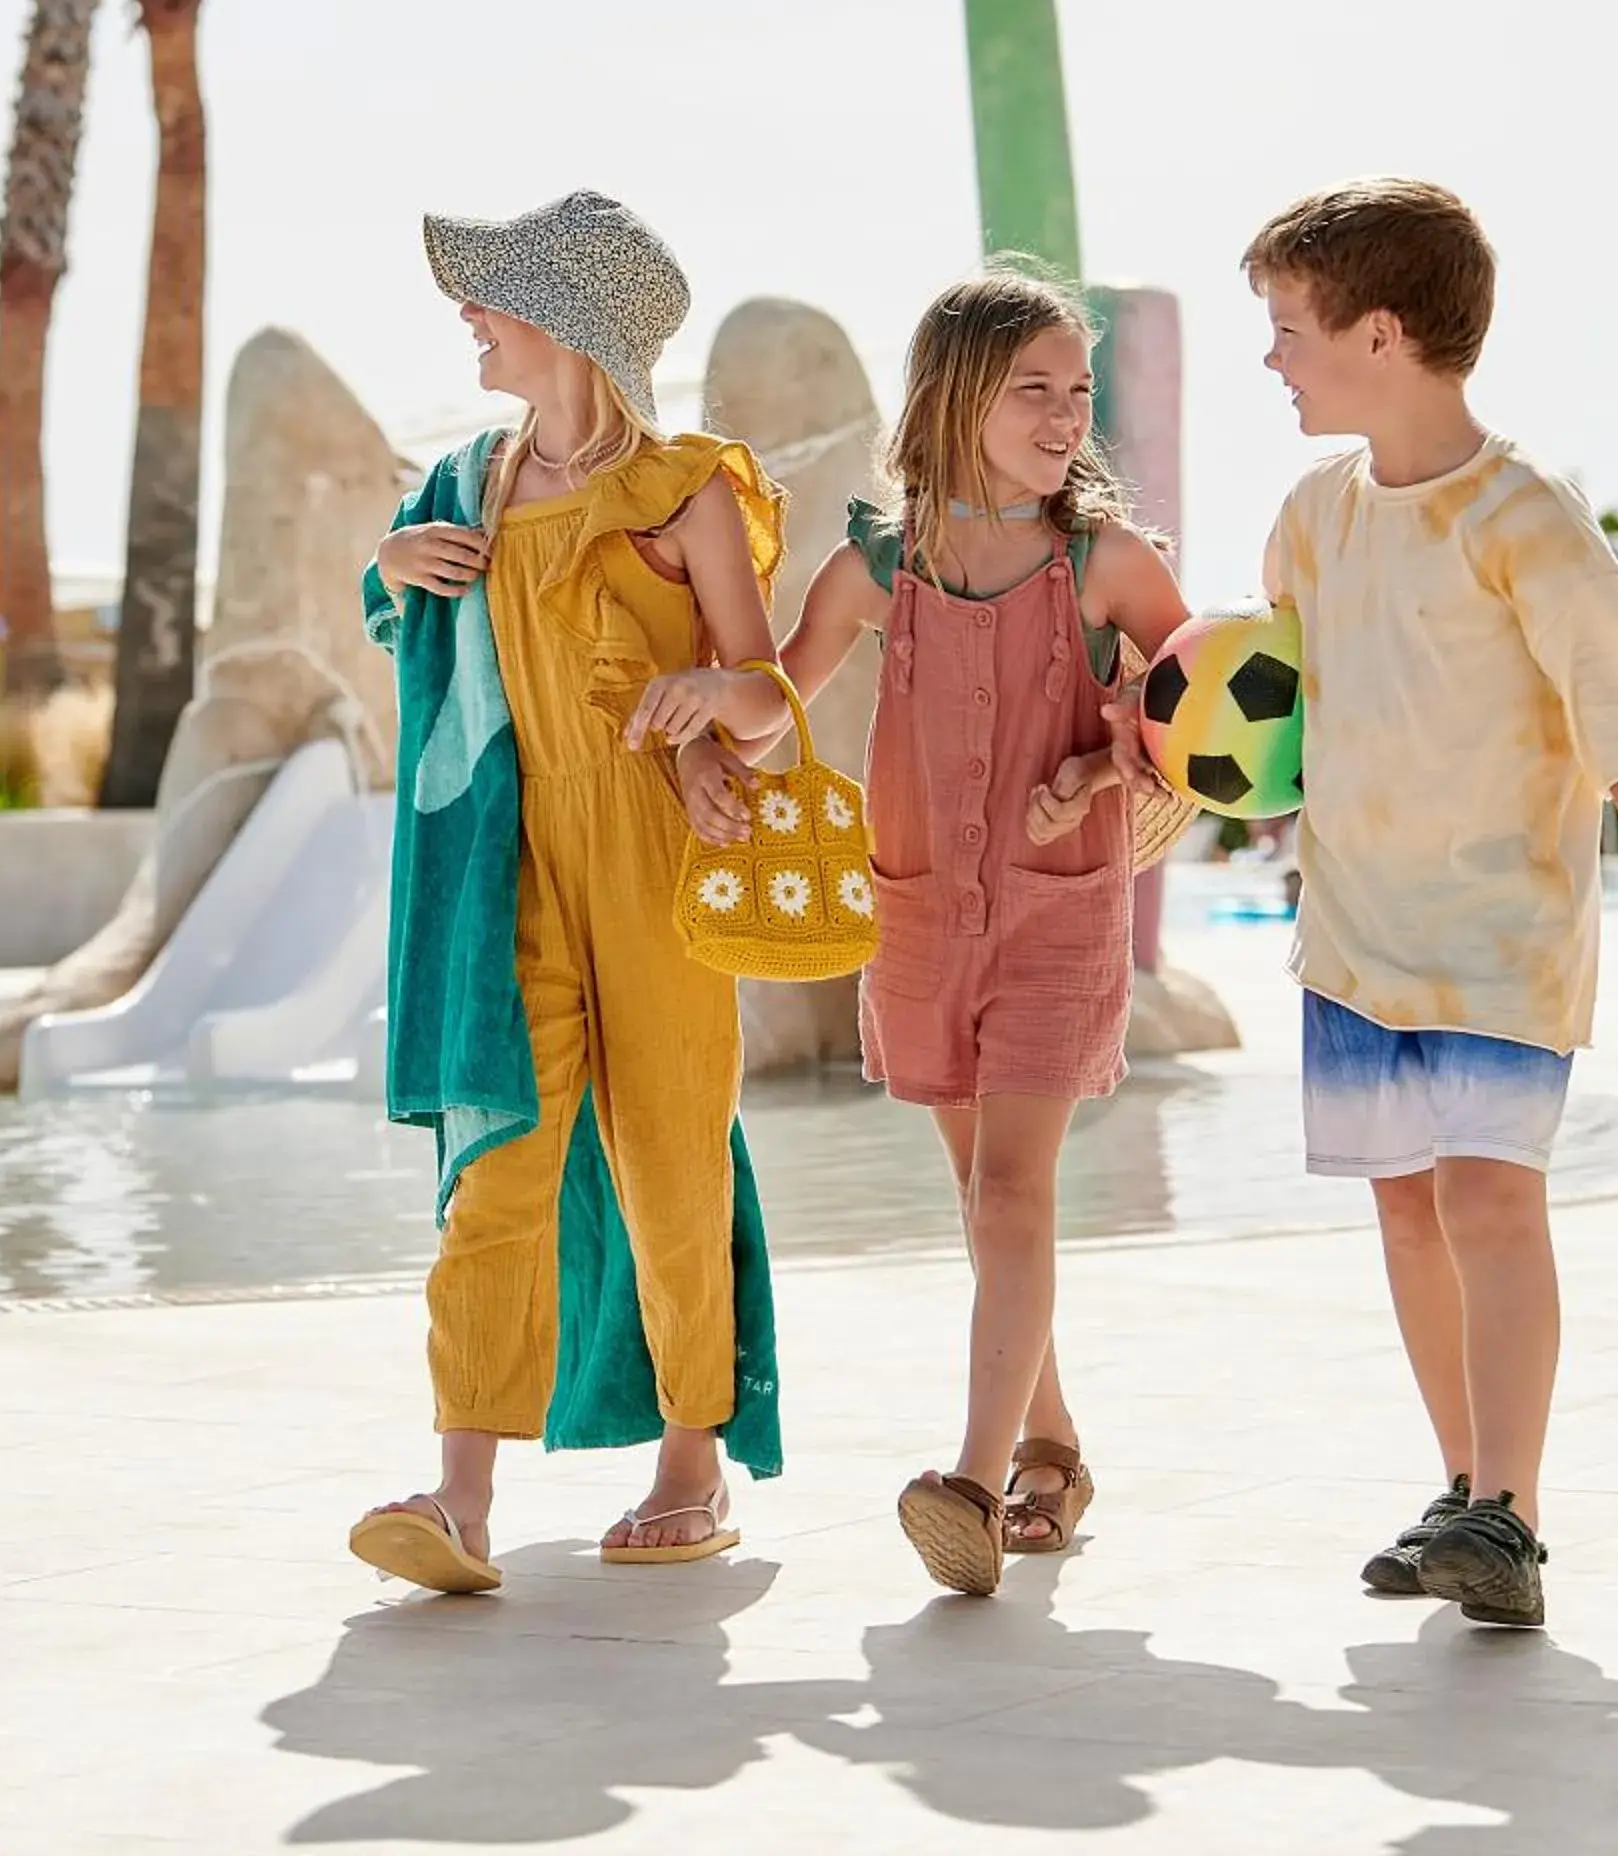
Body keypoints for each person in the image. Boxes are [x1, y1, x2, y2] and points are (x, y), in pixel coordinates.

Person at [1237, 178, 1618, 1627]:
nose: (1274, 358)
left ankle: (1510, 1512)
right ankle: (1461, 1489)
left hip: (1501, 937)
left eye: (1289, 330)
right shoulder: (1312, 516)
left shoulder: (1524, 515)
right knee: (1405, 1211)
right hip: (1353, 936)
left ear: (1379, 335)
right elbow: (1268, 710)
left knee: (1486, 1201)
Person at [663, 263, 1189, 1597]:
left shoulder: (1105, 566)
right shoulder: (877, 564)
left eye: (1078, 391)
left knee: (1012, 1191)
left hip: (1055, 920)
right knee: (981, 1200)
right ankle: (1054, 1446)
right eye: (1035, 390)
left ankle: (967, 1474)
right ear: (956, 397)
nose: (1068, 413)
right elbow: (780, 695)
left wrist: (1113, 762)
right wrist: (704, 722)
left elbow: (1216, 720)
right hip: (920, 916)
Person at [350, 190, 790, 1595]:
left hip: (659, 854)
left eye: (490, 296)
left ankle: (693, 1467)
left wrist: (706, 698)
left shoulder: (687, 491)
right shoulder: (459, 488)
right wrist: (389, 567)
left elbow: (768, 696)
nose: (466, 318)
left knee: (670, 1157)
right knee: (496, 1164)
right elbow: (408, 632)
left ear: (570, 326)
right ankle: (460, 1494)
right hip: (502, 863)